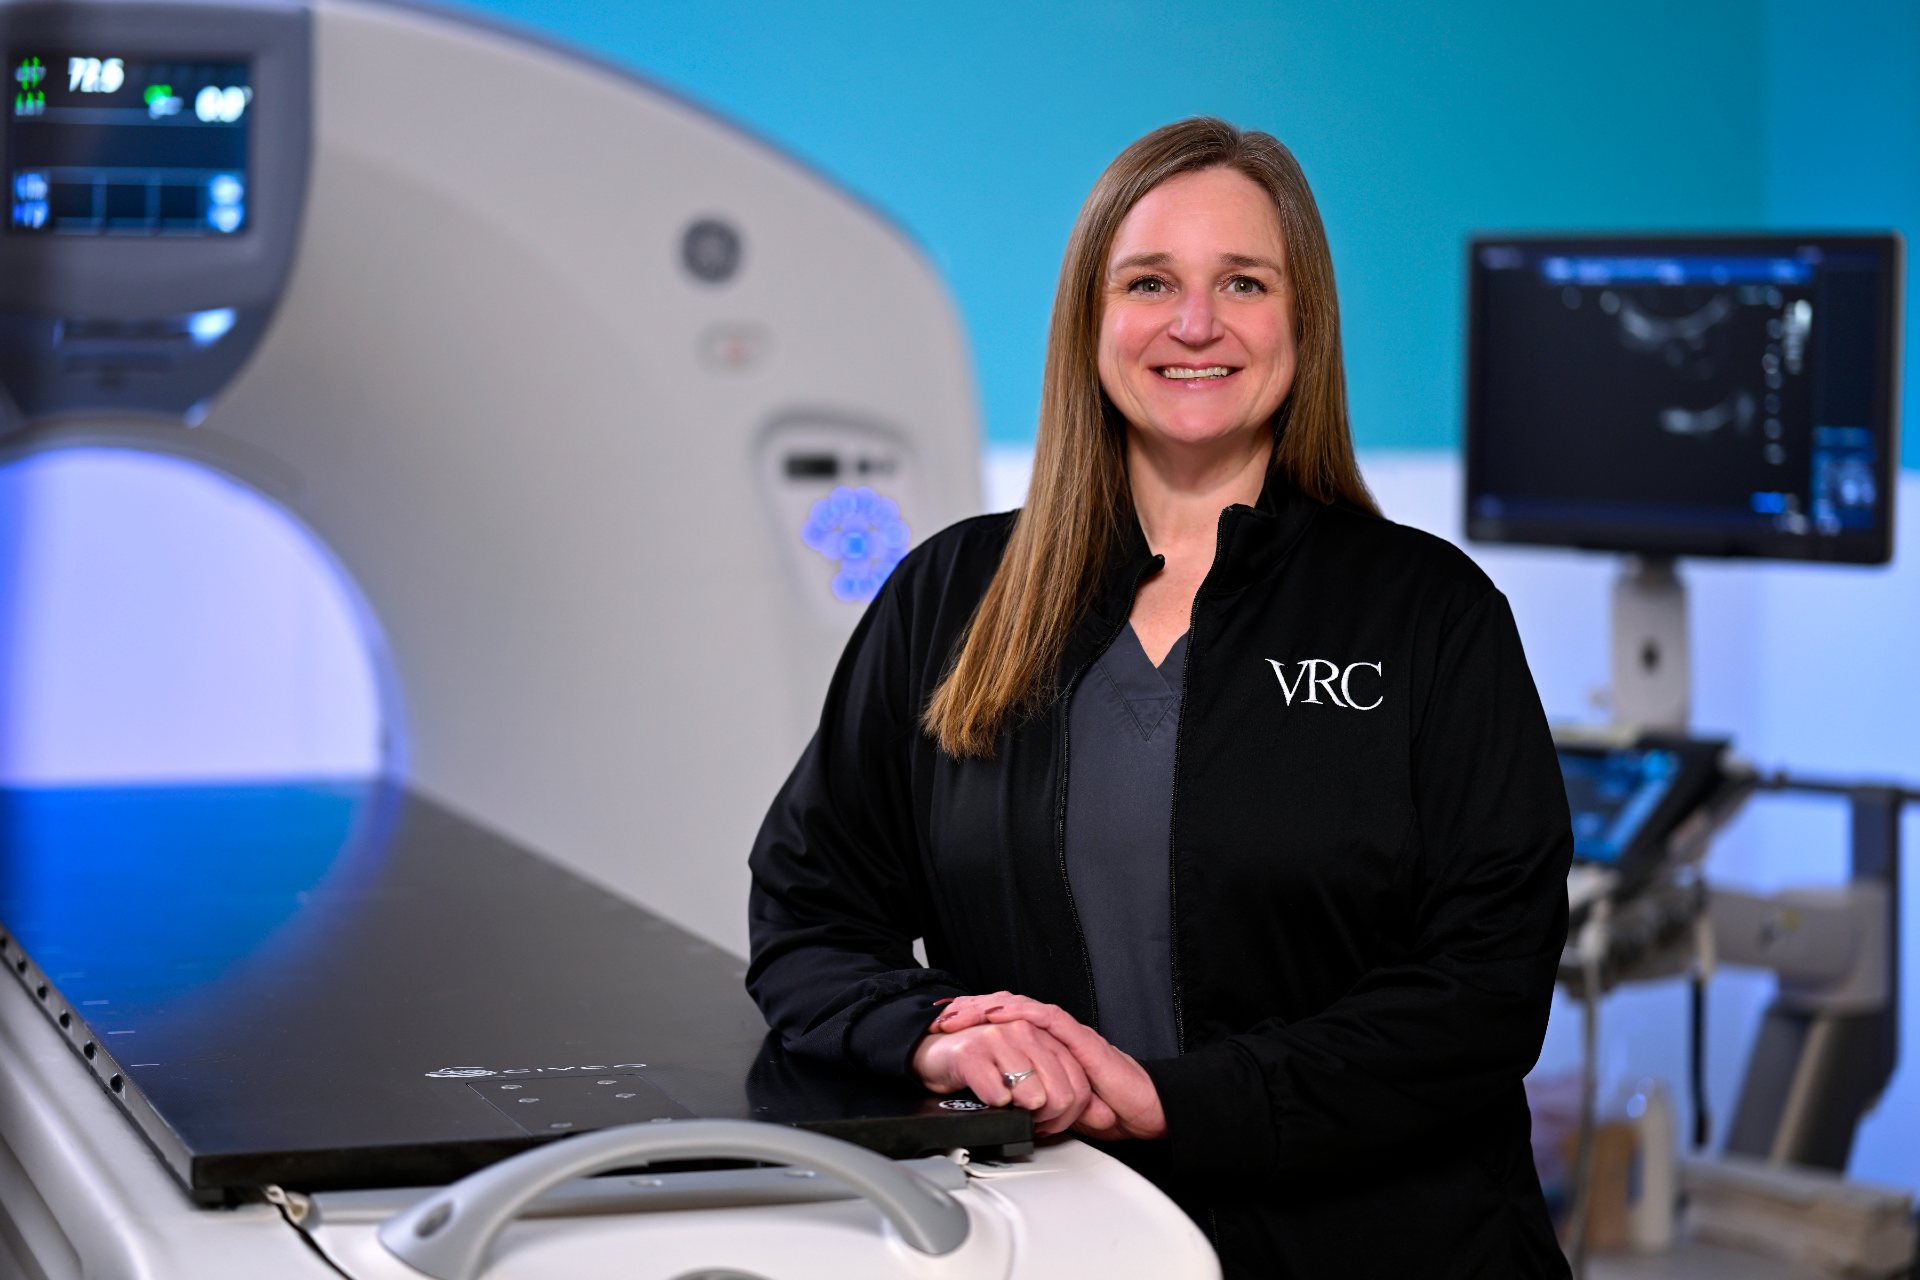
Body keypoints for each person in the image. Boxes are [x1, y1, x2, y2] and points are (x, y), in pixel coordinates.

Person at [746, 116, 1573, 1278]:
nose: (1196, 324)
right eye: (1150, 282)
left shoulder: (1429, 613)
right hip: (1067, 1239)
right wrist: (939, 1034)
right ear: (1094, 318)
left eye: (1244, 280)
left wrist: (1175, 1098)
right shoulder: (952, 597)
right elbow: (807, 912)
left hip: (1387, 1244)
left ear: (1303, 321)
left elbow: (1485, 987)